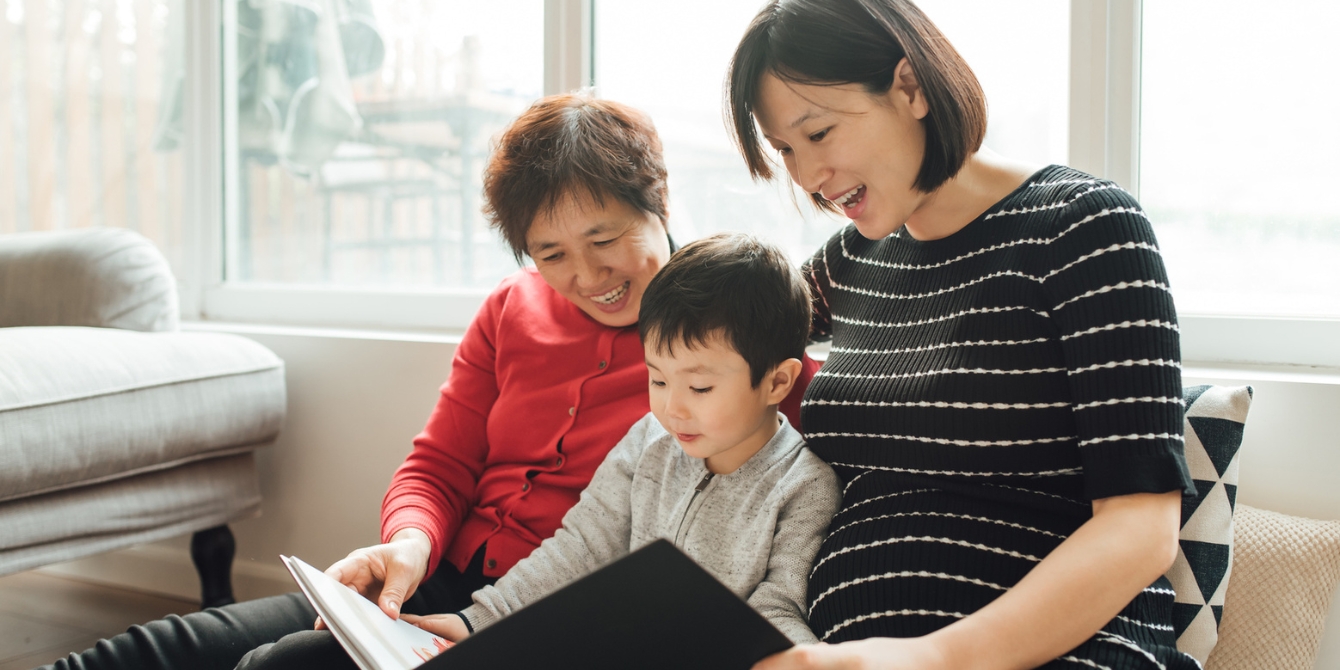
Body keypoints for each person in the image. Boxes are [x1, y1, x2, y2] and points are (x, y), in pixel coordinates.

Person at [37, 94, 817, 670]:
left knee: (279, 666)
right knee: (167, 648)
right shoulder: (512, 311)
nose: (585, 276)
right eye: (550, 254)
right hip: (442, 580)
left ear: (660, 203)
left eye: (604, 238)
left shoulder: (729, 347)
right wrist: (407, 544)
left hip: (543, 617)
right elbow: (439, 464)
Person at [725, 1, 1197, 669]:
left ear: (910, 87)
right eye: (785, 150)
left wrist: (930, 658)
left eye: (820, 133)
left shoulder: (1082, 227)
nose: (806, 178)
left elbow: (1141, 526)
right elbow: (714, 328)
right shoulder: (849, 263)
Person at [397, 233, 841, 648]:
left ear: (778, 382)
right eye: (658, 380)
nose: (673, 409)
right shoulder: (648, 439)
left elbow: (778, 606)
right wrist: (477, 621)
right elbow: (581, 547)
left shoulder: (805, 486)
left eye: (700, 388)